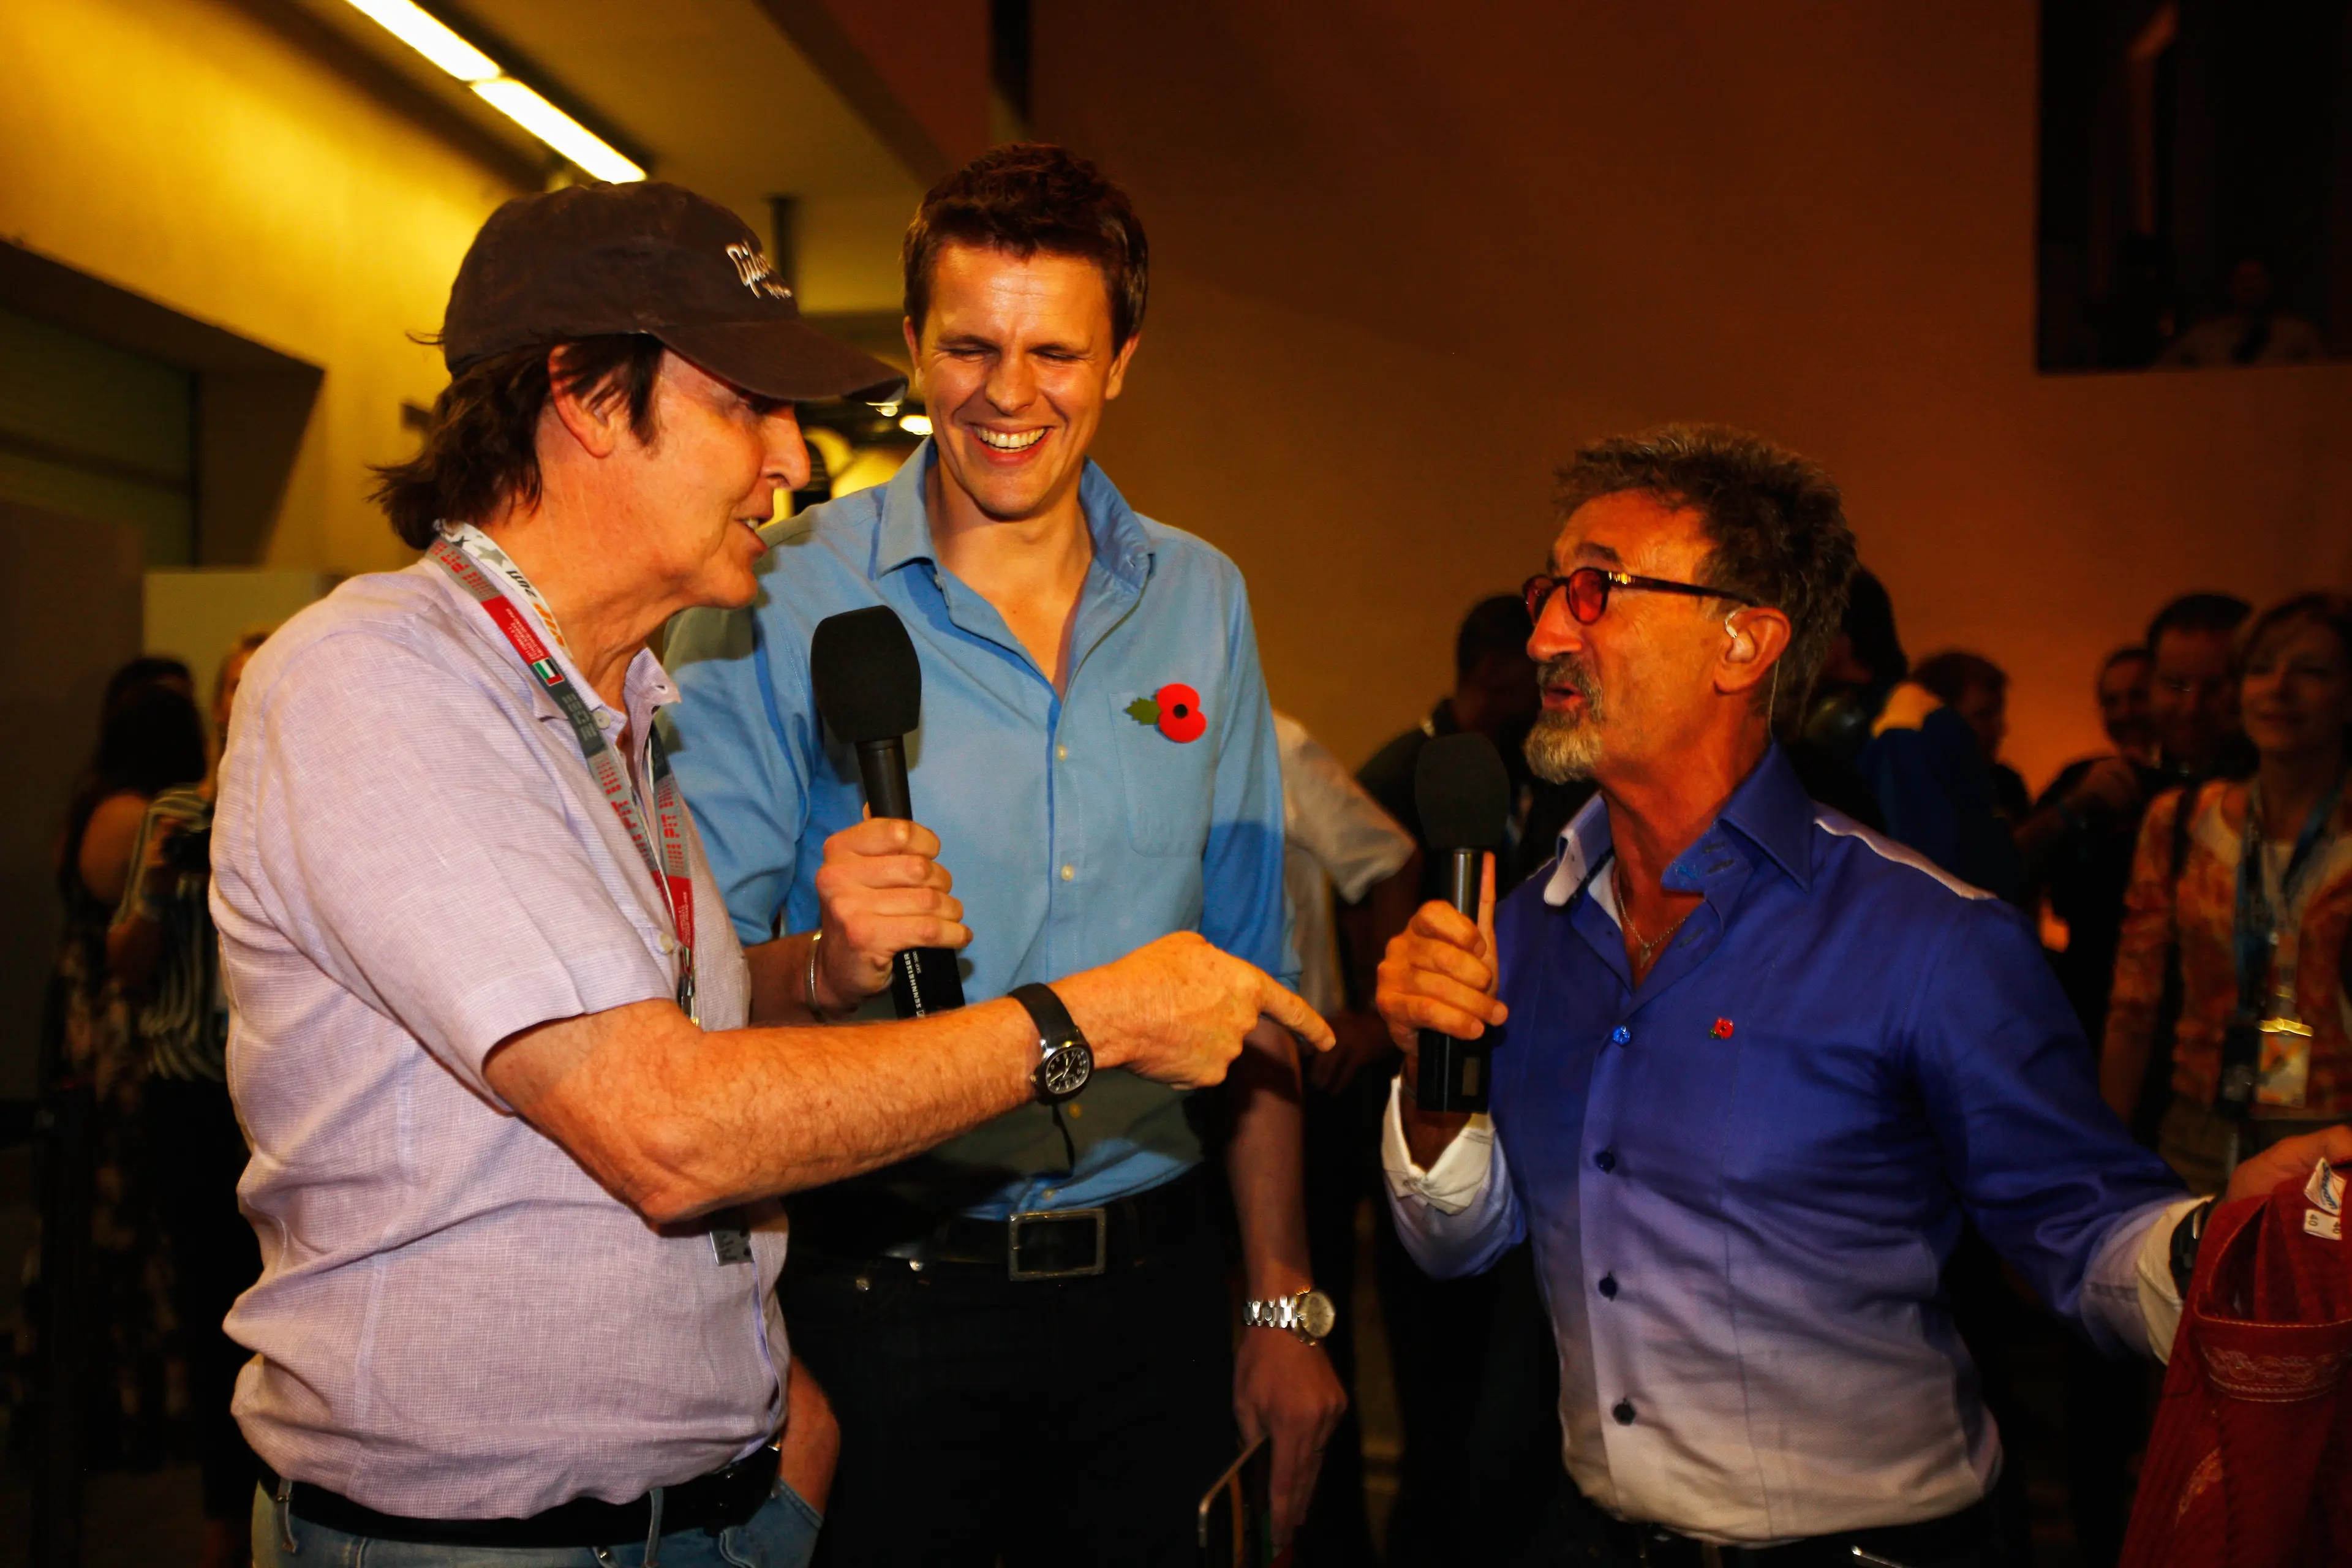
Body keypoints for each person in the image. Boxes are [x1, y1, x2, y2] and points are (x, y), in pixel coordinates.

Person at [215, 178, 1329, 1568]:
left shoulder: (614, 714)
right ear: (584, 395)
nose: (795, 461)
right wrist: (1079, 1022)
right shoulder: (380, 680)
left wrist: (819, 975)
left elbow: (687, 1031)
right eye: (749, 406)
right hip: (481, 1533)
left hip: (708, 1502)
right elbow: (670, 1127)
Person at [1372, 423, 2352, 1565]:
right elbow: (1459, 1248)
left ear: (1745, 640)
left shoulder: (1928, 939)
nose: (1544, 629)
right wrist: (1430, 1077)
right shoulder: (1527, 930)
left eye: (1596, 589)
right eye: (1549, 587)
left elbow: (2080, 1227)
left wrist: (2232, 1244)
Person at [660, 146, 1344, 1567]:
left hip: (1151, 1296)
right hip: (876, 1296)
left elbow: (1248, 990)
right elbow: (687, 1000)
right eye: (969, 344)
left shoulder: (1199, 598)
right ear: (912, 341)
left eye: (1054, 351)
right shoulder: (775, 589)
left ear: (1124, 358)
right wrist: (829, 966)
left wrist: (1278, 1299)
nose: (1007, 393)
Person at [1355, 594, 1585, 1566]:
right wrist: (1387, 1025)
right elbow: (1377, 892)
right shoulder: (1412, 770)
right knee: (1442, 1416)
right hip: (1430, 1092)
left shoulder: (1544, 780)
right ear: (1492, 669)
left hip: (1515, 1139)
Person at [105, 628, 271, 1568]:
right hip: (192, 1098)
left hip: (277, 1100)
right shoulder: (172, 811)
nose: (252, 696)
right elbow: (126, 967)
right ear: (216, 703)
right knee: (211, 1310)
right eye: (237, 682)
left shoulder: (296, 799)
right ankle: (219, 1526)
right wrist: (167, 876)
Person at [2102, 592, 2352, 1197]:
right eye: (2261, 667)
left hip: (2334, 1135)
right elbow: (2134, 1005)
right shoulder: (2182, 819)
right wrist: (2099, 1151)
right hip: (2200, 1122)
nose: (2279, 688)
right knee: (2186, 1287)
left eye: (2311, 671)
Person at [33, 673, 209, 1473]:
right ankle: (131, 1409)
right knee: (128, 1227)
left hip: (79, 1018)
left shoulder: (91, 805)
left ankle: (93, 1405)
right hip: (120, 1027)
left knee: (96, 1220)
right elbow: (136, 942)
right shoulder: (146, 818)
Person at [1270, 710, 1417, 1564]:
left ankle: (1325, 1547)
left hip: (1298, 1076)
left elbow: (1388, 857)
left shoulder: (1272, 740)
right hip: (1164, 1083)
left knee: (1309, 1338)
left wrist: (1371, 1019)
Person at [1361, 594, 1586, 899]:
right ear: (1492, 671)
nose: (1551, 686)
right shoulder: (1394, 784)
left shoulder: (1549, 774)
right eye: (1540, 667)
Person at [1861, 649, 2024, 900]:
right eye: (1983, 715)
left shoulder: (2004, 782)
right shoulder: (1909, 746)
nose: (2000, 729)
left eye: (1998, 714)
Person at [2158, 257, 2327, 369]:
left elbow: (2320, 382)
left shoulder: (2297, 336)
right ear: (2229, 287)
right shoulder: (2203, 338)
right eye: (2241, 280)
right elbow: (2160, 374)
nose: (2249, 287)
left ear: (2269, 284)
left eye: (2256, 279)